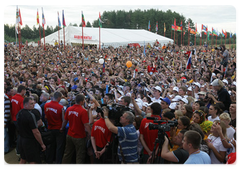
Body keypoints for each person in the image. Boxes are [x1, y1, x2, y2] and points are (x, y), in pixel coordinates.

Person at [61, 94, 91, 164]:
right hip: (79, 136)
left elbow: (65, 121)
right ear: (82, 101)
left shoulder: (69, 109)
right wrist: (91, 134)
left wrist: (62, 128)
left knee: (67, 153)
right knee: (80, 155)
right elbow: (86, 124)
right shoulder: (83, 111)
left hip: (69, 134)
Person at [17, 97, 46, 165]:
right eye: (31, 104)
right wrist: (42, 144)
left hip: (21, 139)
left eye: (33, 103)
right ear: (25, 105)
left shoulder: (20, 113)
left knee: (23, 159)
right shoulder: (30, 115)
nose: (33, 105)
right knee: (33, 161)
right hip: (30, 141)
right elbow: (36, 132)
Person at [44, 91, 65, 164]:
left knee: (50, 146)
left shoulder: (46, 105)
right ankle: (58, 163)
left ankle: (49, 161)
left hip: (50, 127)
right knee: (59, 147)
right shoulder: (61, 107)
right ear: (59, 98)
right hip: (58, 129)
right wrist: (62, 128)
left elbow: (46, 117)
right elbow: (63, 119)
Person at [2, 85, 11, 155]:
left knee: (4, 136)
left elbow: (7, 112)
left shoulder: (5, 98)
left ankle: (5, 149)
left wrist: (4, 122)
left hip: (3, 120)